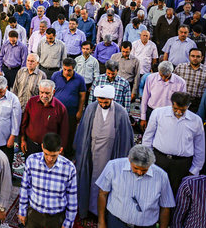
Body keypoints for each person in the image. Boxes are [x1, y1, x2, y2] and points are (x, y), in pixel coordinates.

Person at [74, 84, 134, 219]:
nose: (102, 104)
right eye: (100, 101)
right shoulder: (91, 108)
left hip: (110, 155)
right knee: (89, 180)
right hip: (91, 153)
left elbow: (126, 138)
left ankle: (103, 213)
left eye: (105, 102)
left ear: (112, 98)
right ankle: (88, 209)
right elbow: (83, 133)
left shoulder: (121, 112)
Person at [142, 91, 205, 196]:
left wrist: (195, 169)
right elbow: (147, 138)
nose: (179, 112)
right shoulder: (158, 113)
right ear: (172, 103)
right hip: (159, 160)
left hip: (181, 165)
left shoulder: (196, 121)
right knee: (153, 192)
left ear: (188, 106)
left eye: (183, 110)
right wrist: (147, 160)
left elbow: (200, 148)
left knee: (175, 195)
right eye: (176, 109)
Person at [96, 145, 175, 228]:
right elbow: (102, 194)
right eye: (136, 168)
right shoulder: (113, 166)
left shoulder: (161, 176)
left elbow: (165, 207)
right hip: (117, 222)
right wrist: (101, 222)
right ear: (129, 160)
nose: (140, 172)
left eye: (144, 170)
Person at [18, 133, 77, 228]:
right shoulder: (32, 161)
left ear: (60, 150)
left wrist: (68, 222)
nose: (49, 159)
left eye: (53, 155)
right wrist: (22, 211)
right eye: (46, 154)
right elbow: (25, 187)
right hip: (34, 214)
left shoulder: (69, 168)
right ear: (42, 147)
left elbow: (72, 197)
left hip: (56, 218)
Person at [20, 79, 69, 157]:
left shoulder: (60, 108)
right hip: (32, 145)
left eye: (47, 93)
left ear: (53, 92)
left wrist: (61, 149)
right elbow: (24, 122)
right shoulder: (32, 102)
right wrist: (23, 140)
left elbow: (64, 132)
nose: (44, 96)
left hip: (50, 149)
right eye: (41, 92)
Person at [52, 57, 86, 156]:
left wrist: (80, 111)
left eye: (69, 70)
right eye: (65, 69)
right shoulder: (56, 75)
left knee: (69, 134)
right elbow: (51, 91)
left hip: (71, 112)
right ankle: (54, 151)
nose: (66, 72)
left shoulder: (79, 79)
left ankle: (67, 154)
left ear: (74, 69)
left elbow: (82, 96)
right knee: (55, 131)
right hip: (56, 111)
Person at [140, 61, 187, 129]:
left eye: (166, 76)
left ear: (171, 72)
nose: (163, 78)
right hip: (151, 111)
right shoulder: (150, 78)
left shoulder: (180, 82)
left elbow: (182, 104)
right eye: (161, 75)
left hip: (169, 115)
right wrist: (143, 118)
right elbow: (145, 98)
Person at [174, 48, 206, 112]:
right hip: (181, 100)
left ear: (202, 58)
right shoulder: (180, 67)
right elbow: (173, 84)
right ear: (189, 56)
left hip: (199, 102)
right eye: (193, 56)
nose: (195, 58)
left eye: (198, 56)